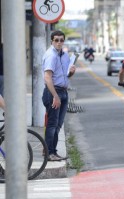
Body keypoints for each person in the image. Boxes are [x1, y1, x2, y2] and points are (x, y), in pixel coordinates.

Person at [42, 30, 76, 162]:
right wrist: (55, 96)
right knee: (52, 124)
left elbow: (66, 75)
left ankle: (51, 150)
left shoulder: (65, 55)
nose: (59, 42)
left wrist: (71, 72)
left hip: (63, 92)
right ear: (52, 41)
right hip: (53, 92)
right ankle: (49, 153)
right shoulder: (51, 55)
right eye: (56, 40)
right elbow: (47, 77)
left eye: (61, 40)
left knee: (58, 124)